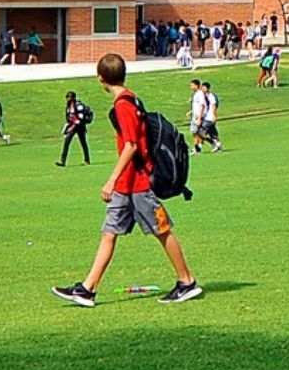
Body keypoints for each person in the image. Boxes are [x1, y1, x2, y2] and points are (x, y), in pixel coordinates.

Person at [52, 53, 203, 307]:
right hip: (127, 186)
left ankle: (187, 282)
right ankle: (88, 289)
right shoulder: (131, 99)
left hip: (139, 185)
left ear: (100, 78)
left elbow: (132, 145)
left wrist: (111, 179)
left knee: (162, 231)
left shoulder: (124, 105)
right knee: (108, 233)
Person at [61, 90, 93, 166]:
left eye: (69, 97)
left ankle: (87, 160)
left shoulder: (79, 106)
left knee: (83, 143)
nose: (67, 98)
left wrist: (73, 127)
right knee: (67, 142)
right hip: (73, 125)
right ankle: (63, 161)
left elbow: (80, 118)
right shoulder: (68, 107)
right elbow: (69, 118)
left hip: (80, 126)